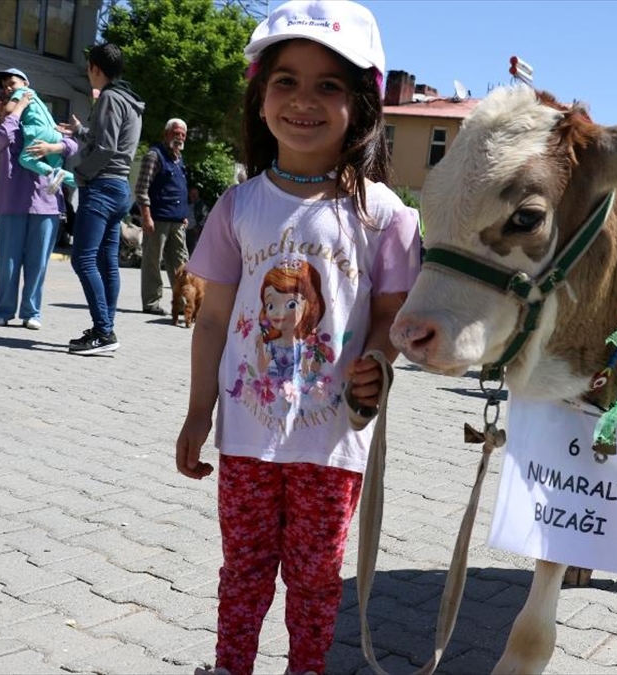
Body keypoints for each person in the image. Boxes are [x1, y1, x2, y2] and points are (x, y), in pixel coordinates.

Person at [173, 2, 420, 672]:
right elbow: (216, 318)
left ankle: (306, 666)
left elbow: (390, 316)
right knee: (244, 567)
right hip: (247, 433)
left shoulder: (385, 215)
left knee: (316, 577)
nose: (303, 100)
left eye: (328, 85)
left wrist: (378, 358)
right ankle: (231, 664)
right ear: (259, 97)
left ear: (362, 105)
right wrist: (200, 410)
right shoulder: (237, 206)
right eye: (286, 80)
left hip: (333, 439)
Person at [58, 43, 144, 355]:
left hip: (102, 188)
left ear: (95, 68)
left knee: (83, 259)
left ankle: (104, 331)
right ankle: (104, 328)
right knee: (108, 262)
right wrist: (81, 132)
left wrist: (81, 173)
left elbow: (106, 148)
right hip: (120, 187)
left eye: (88, 68)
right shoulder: (130, 100)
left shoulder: (109, 97)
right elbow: (111, 141)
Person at [0, 87, 77, 329]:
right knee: (7, 263)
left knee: (38, 262)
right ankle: (3, 311)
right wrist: (17, 108)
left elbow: (72, 144)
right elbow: (6, 134)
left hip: (45, 202)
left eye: (2, 99)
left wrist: (53, 148)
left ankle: (32, 313)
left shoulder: (38, 121)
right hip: (12, 202)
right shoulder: (1, 127)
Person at [135, 118, 190, 316]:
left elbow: (179, 189)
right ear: (166, 134)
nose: (180, 137)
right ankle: (151, 303)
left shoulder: (179, 158)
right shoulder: (154, 156)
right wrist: (146, 217)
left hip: (176, 220)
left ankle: (184, 303)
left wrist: (183, 214)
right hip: (157, 218)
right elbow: (141, 189)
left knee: (182, 263)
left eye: (183, 134)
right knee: (152, 261)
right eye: (176, 133)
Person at [0, 67, 76, 195]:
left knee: (26, 159)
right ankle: (83, 183)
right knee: (58, 170)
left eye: (11, 84)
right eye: (5, 86)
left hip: (37, 131)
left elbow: (8, 111)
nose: (8, 89)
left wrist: (3, 116)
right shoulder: (34, 96)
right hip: (54, 132)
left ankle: (50, 173)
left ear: (25, 83)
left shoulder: (22, 93)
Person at [186, 185, 210, 255]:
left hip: (194, 231)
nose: (194, 196)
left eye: (195, 194)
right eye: (192, 194)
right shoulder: (186, 204)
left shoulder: (201, 205)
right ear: (189, 194)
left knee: (193, 252)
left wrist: (198, 227)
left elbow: (206, 217)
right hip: (184, 230)